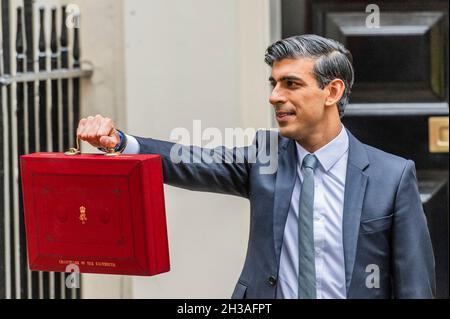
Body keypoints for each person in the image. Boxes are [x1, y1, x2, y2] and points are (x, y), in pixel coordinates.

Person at [76, 34, 435, 299]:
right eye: (274, 83)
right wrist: (122, 142)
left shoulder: (391, 175)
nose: (275, 96)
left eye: (291, 84)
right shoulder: (264, 157)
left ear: (332, 92)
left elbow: (415, 284)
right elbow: (190, 161)